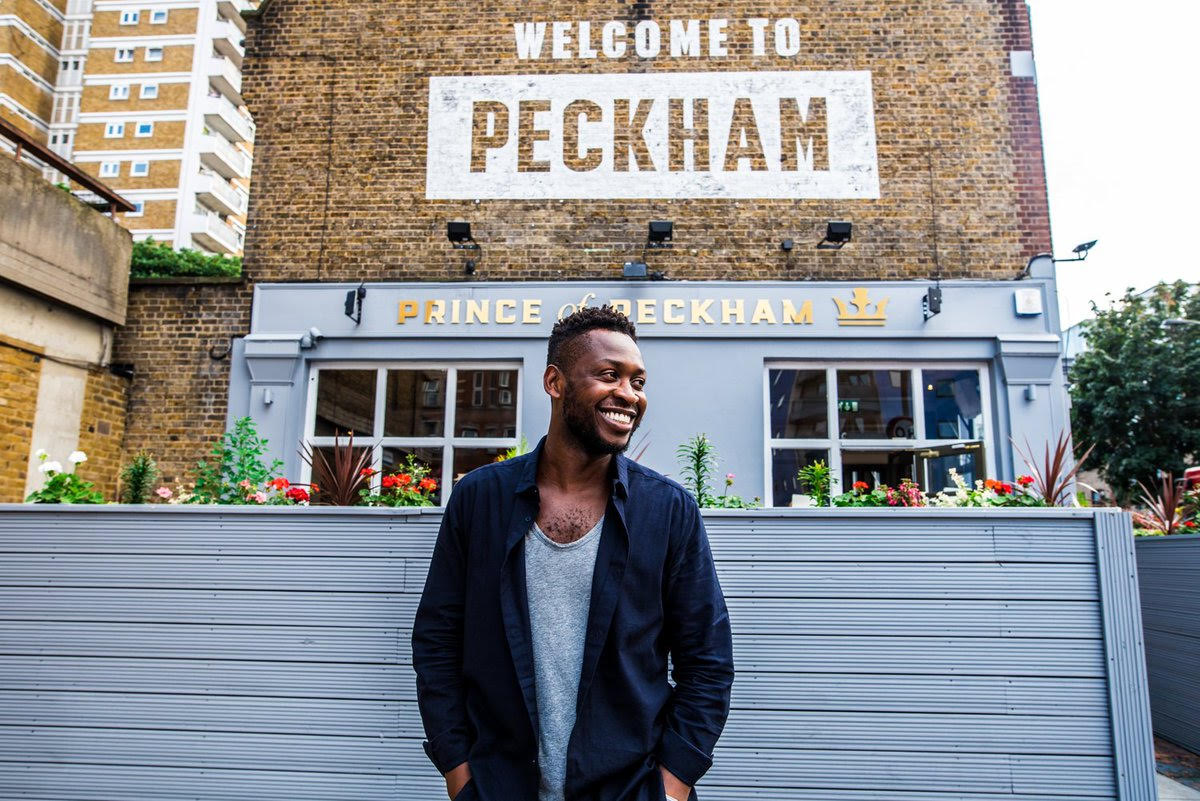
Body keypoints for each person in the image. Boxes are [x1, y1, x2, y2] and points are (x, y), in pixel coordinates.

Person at [412, 305, 734, 801]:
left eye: (639, 382)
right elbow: (437, 642)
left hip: (630, 787)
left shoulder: (668, 511)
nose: (629, 395)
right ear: (555, 382)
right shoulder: (480, 501)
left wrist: (671, 788)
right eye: (610, 375)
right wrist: (458, 772)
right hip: (500, 785)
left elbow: (707, 661)